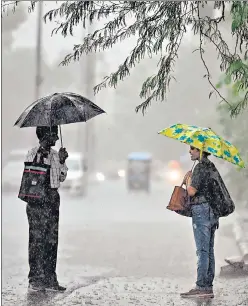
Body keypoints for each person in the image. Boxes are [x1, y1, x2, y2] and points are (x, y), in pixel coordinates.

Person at [25, 126, 68, 292]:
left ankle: (50, 278)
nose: (57, 139)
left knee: (51, 240)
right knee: (37, 240)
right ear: (44, 135)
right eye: (53, 135)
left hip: (52, 200)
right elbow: (31, 175)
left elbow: (61, 178)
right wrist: (42, 156)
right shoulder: (32, 153)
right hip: (36, 201)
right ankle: (35, 279)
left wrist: (62, 162)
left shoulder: (56, 155)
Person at [180, 146, 219, 299]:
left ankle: (201, 286)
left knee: (202, 250)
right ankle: (208, 286)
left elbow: (191, 191)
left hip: (201, 211)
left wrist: (188, 179)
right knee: (209, 249)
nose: (190, 151)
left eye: (193, 149)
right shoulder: (211, 166)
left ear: (201, 151)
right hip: (212, 211)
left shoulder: (201, 167)